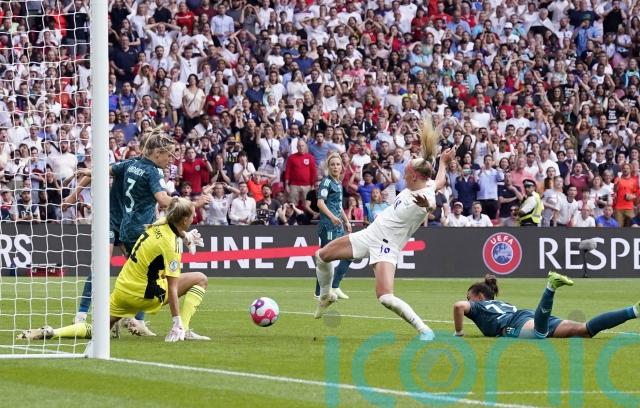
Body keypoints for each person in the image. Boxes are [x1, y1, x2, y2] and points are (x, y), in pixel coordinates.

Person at [313, 119, 456, 341]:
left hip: (386, 246)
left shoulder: (424, 195)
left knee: (385, 297)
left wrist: (427, 205)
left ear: (414, 176)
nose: (402, 175)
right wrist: (443, 162)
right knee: (321, 256)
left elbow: (431, 204)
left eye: (406, 172)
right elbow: (438, 182)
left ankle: (424, 330)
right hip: (370, 234)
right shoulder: (425, 183)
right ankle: (325, 296)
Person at [19, 197, 211, 342]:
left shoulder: (160, 222)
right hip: (147, 294)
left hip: (123, 289)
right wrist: (176, 322)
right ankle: (184, 328)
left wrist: (186, 237)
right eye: (192, 215)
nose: (194, 218)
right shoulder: (172, 246)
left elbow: (172, 226)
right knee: (200, 278)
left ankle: (53, 332)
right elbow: (173, 288)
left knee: (99, 330)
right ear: (184, 220)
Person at [453, 271, 639, 339]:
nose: (468, 300)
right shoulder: (502, 303)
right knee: (585, 331)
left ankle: (550, 287)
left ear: (479, 296)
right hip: (527, 316)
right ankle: (634, 311)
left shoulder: (479, 306)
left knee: (538, 334)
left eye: (469, 297)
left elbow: (458, 306)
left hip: (514, 324)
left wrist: (459, 332)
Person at [314, 153, 353, 300]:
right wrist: (331, 217)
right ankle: (319, 293)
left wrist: (346, 220)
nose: (335, 167)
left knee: (350, 254)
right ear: (328, 167)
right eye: (332, 164)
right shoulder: (326, 183)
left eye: (337, 164)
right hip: (328, 226)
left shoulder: (338, 183)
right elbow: (320, 203)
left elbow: (338, 205)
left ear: (341, 167)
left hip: (338, 226)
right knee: (325, 259)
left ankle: (335, 286)